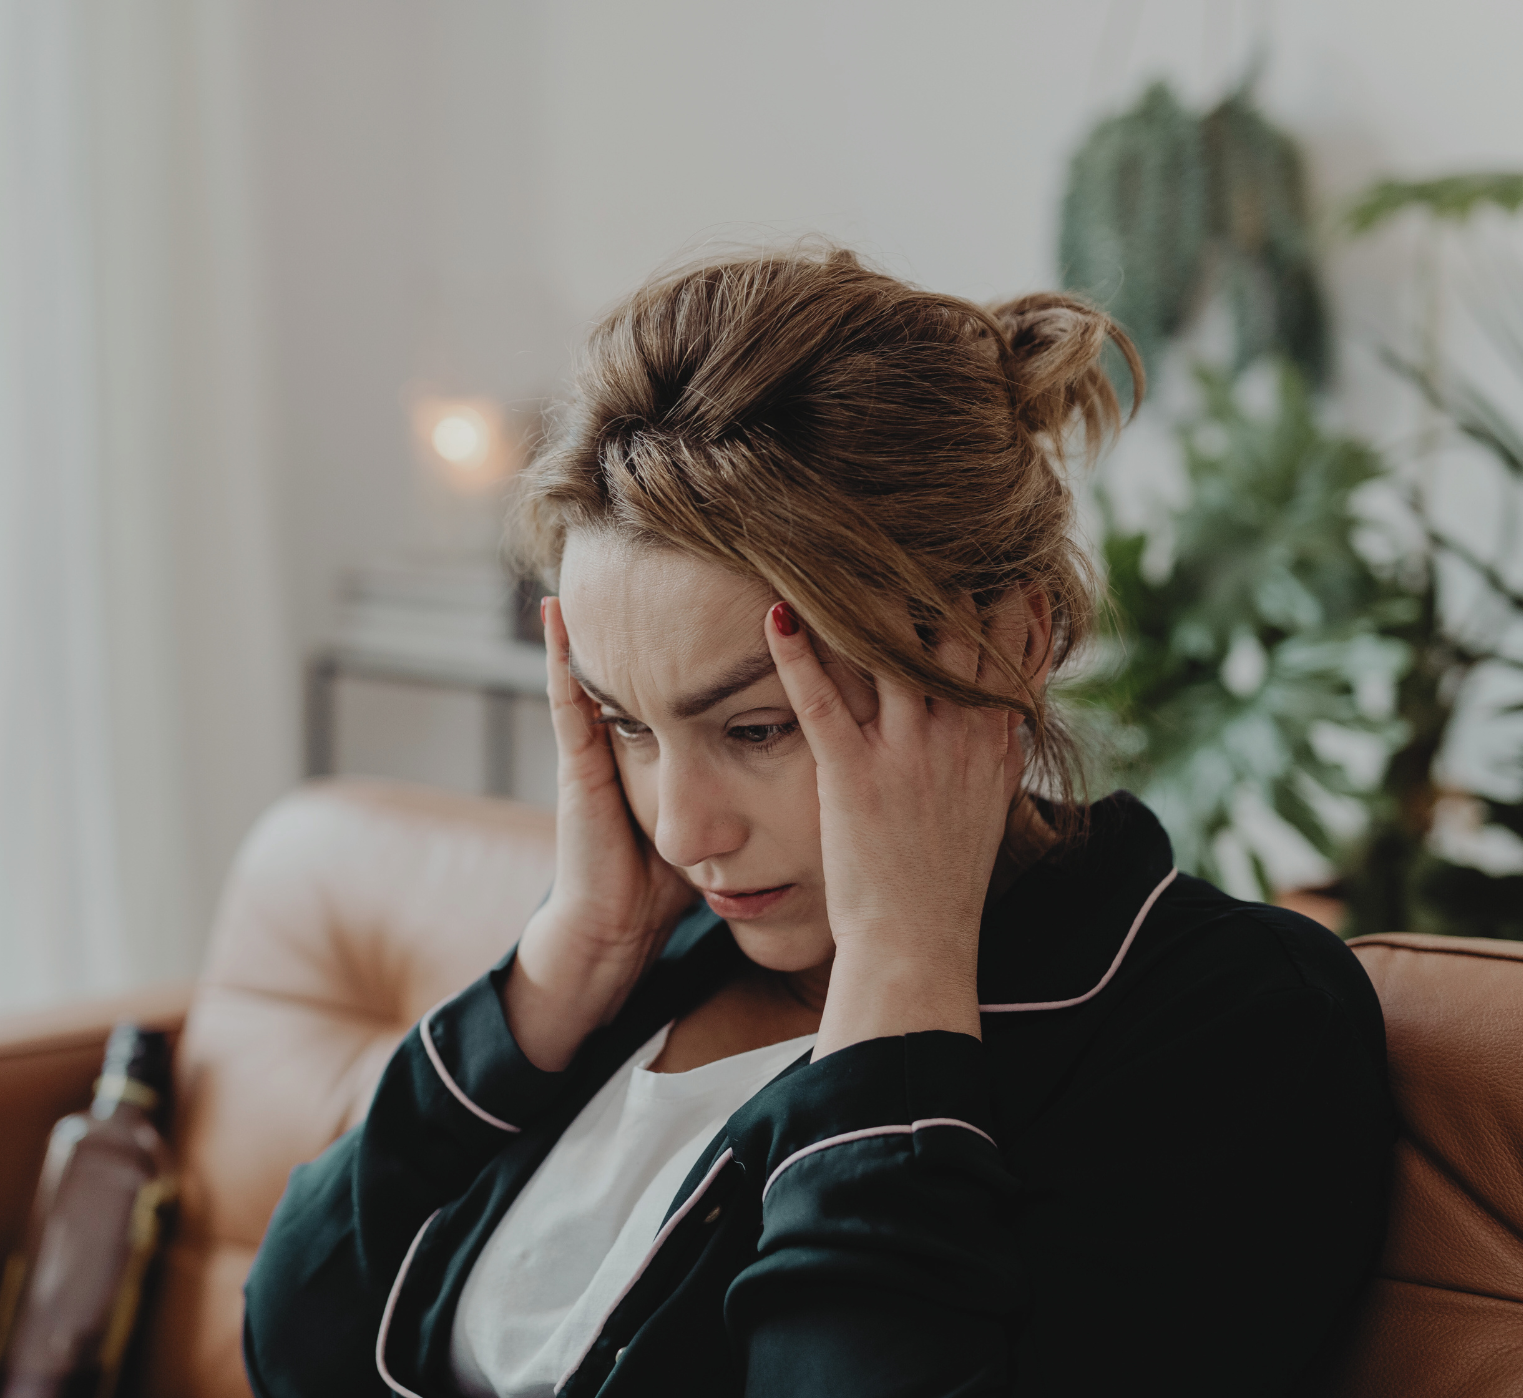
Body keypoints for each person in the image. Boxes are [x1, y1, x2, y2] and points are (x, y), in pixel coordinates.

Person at [241, 244, 1394, 1398]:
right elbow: (291, 1338)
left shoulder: (1227, 1024)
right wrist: (562, 965)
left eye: (753, 729)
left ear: (1012, 644)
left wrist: (903, 970)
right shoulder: (654, 959)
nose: (683, 830)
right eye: (625, 725)